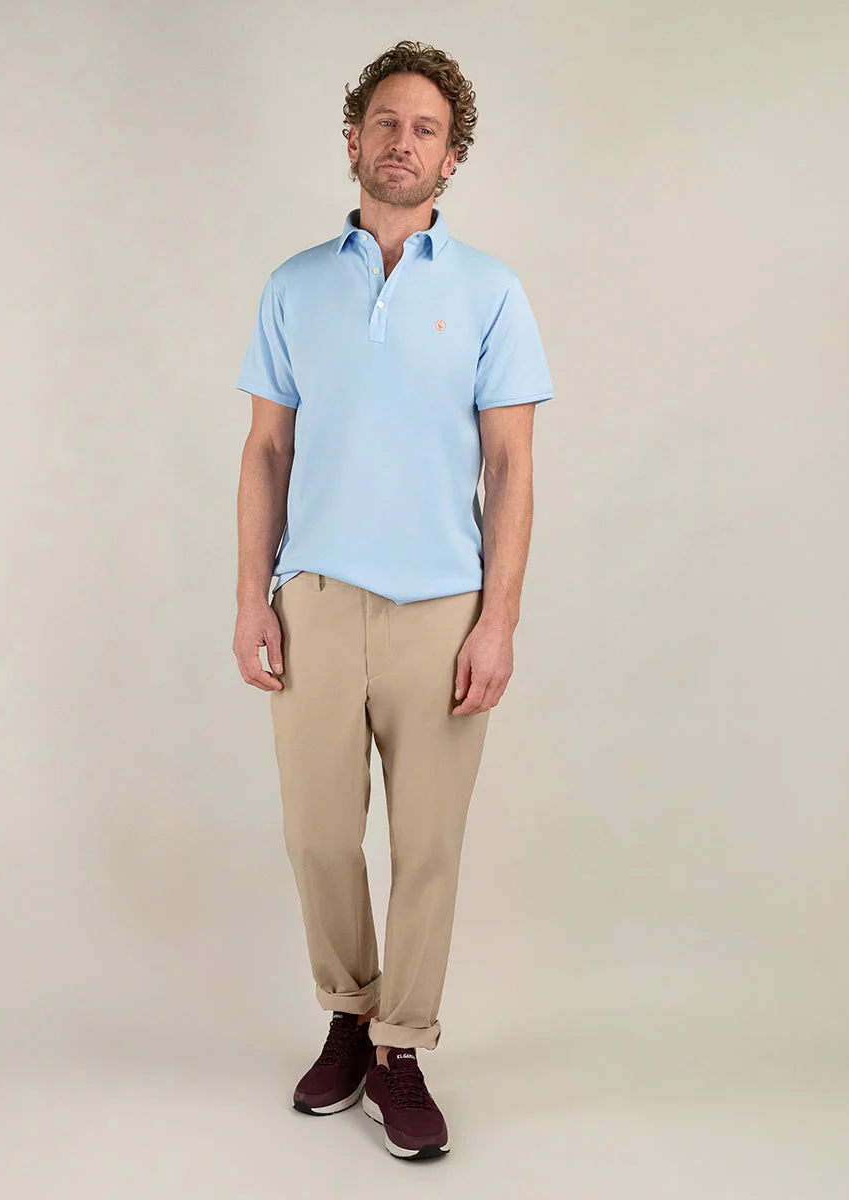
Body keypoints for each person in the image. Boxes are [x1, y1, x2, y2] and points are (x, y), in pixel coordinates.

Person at [233, 39, 553, 1160]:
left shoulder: (490, 291)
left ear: (451, 157)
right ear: (353, 138)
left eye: (425, 129)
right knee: (318, 837)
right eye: (385, 122)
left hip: (442, 609)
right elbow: (266, 451)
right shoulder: (293, 286)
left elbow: (510, 466)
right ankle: (348, 1012)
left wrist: (498, 621)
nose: (401, 142)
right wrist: (252, 599)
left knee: (427, 847)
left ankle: (401, 1048)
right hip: (315, 601)